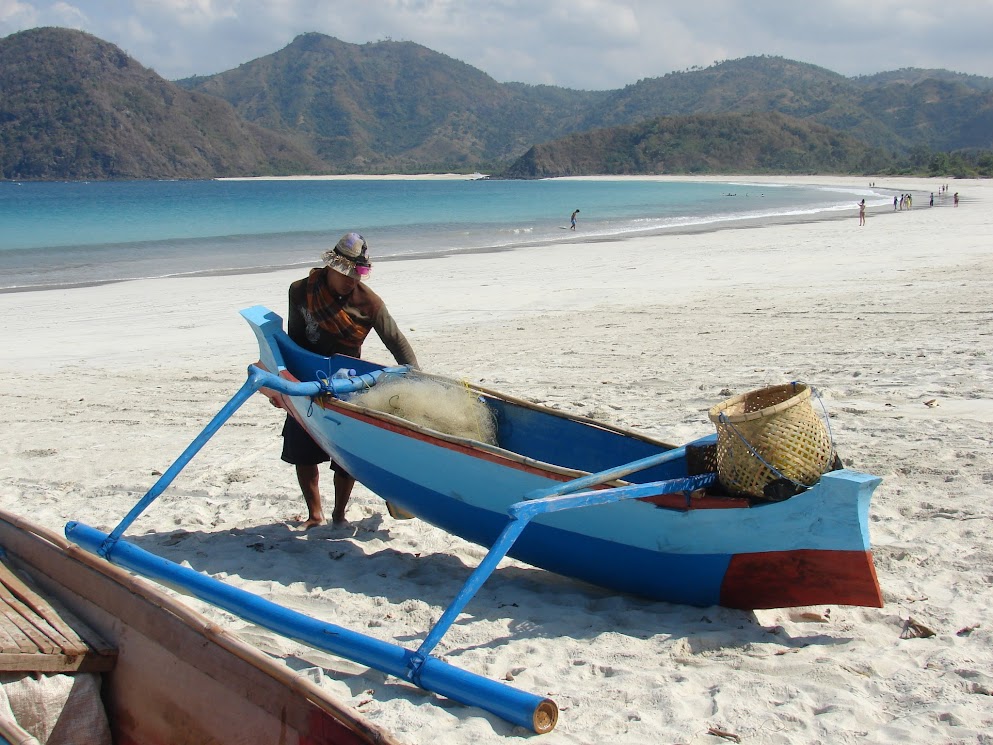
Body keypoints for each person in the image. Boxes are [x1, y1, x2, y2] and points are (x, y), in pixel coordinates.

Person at [278, 232, 419, 528]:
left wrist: (415, 377)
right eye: (346, 273)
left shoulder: (369, 303)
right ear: (331, 267)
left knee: (347, 458)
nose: (352, 280)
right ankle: (314, 514)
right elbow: (293, 339)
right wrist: (287, 383)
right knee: (303, 451)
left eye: (358, 273)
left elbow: (396, 341)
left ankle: (339, 514)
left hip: (348, 383)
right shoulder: (301, 291)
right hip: (307, 378)